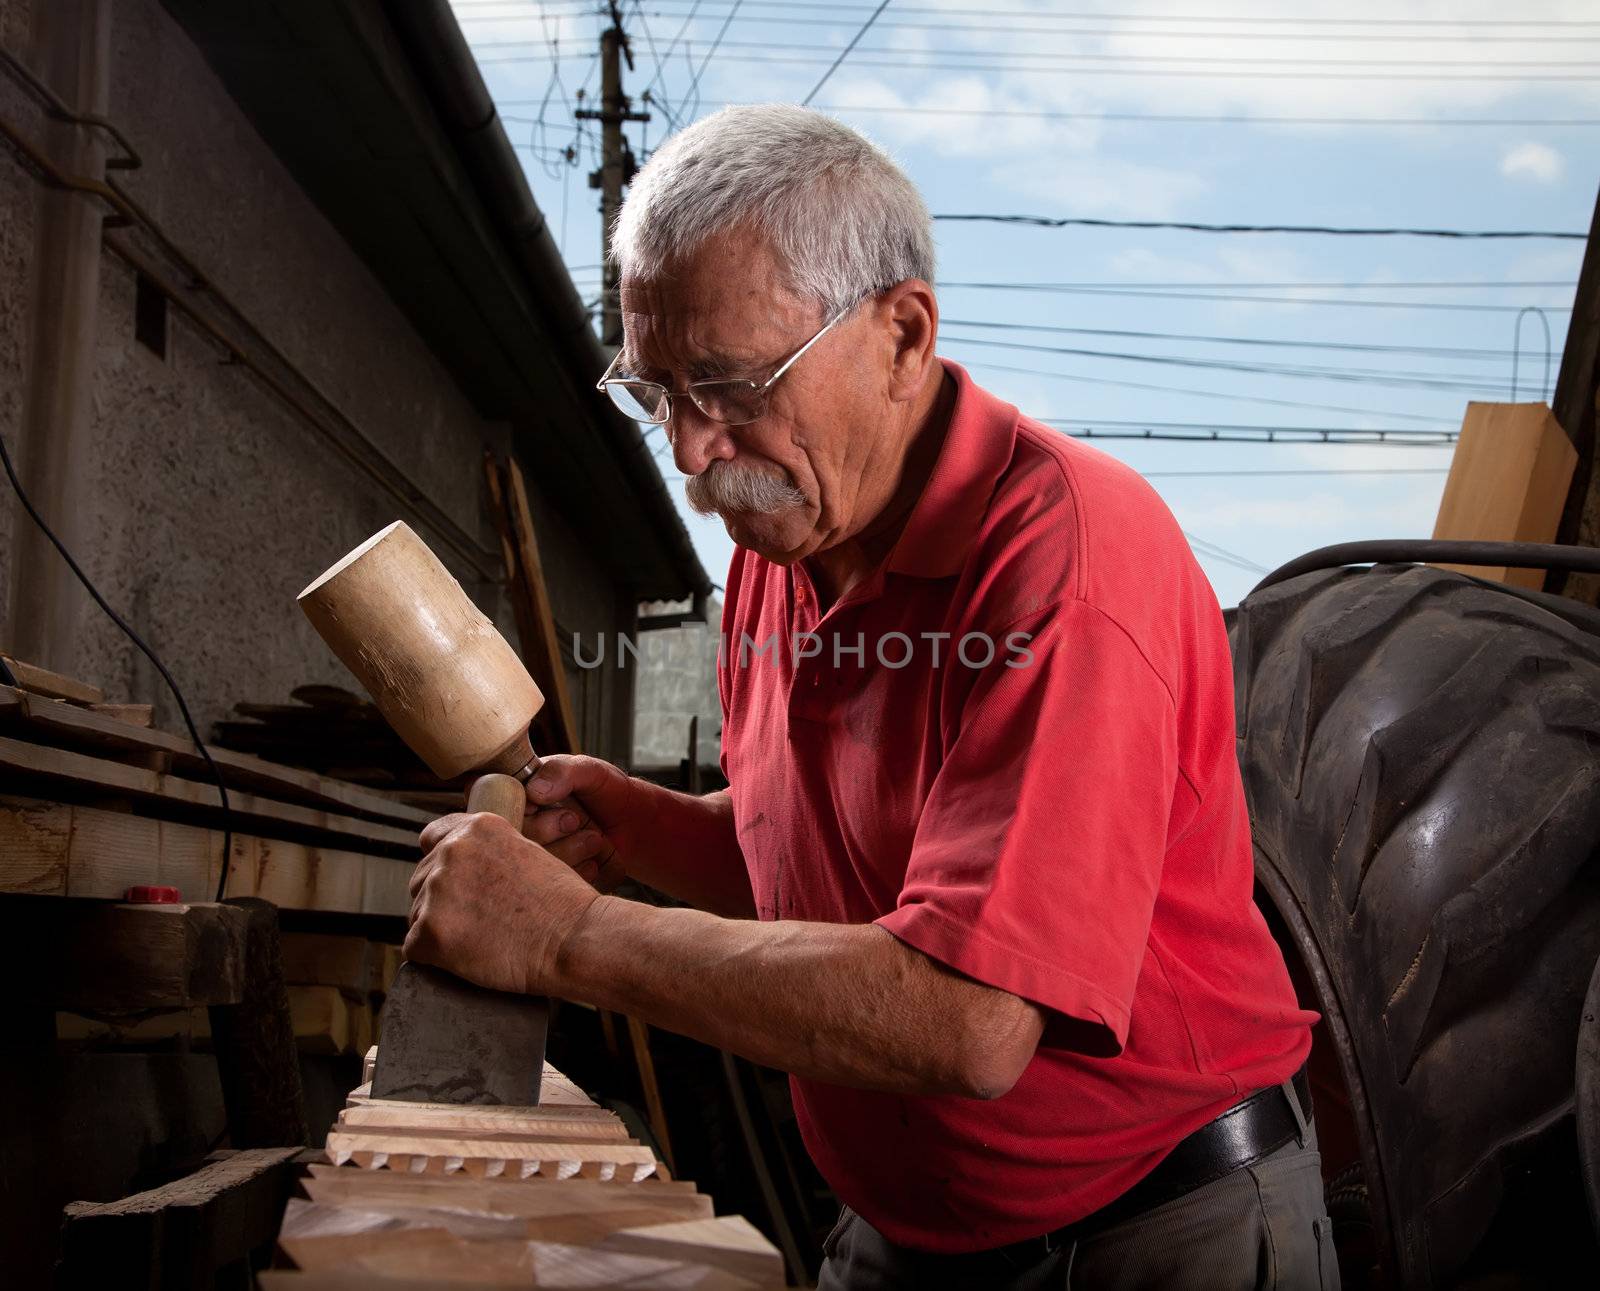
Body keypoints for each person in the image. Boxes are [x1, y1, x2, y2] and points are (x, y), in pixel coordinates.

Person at [405, 104, 1336, 1290]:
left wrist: (566, 935)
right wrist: (638, 829)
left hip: (1147, 1233)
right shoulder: (777, 545)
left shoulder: (1068, 558)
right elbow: (827, 885)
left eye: (732, 386)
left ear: (901, 334)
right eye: (657, 393)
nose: (692, 450)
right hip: (902, 1235)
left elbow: (968, 1017)